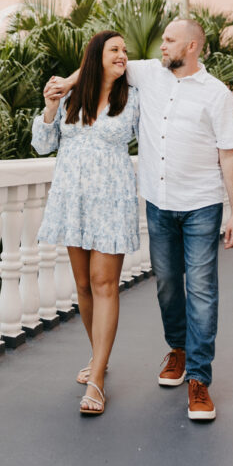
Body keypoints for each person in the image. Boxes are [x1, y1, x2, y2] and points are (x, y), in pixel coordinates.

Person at [50, 18, 233, 422]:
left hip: (202, 204)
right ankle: (177, 349)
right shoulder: (150, 75)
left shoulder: (215, 94)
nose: (161, 46)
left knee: (202, 289)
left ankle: (199, 379)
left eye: (170, 41)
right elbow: (96, 63)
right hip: (158, 202)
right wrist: (66, 86)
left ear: (190, 47)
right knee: (169, 286)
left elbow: (229, 153)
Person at [32, 30, 139, 416]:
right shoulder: (71, 100)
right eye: (114, 49)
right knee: (83, 285)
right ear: (96, 55)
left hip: (112, 202)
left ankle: (96, 380)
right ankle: (99, 358)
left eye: (125, 50)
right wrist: (49, 105)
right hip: (72, 201)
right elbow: (43, 145)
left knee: (104, 283)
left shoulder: (134, 99)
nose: (123, 55)